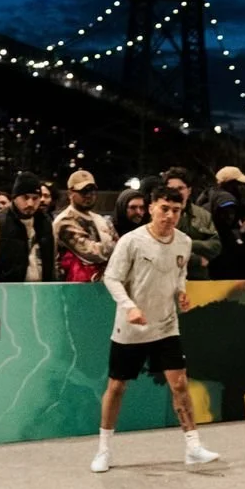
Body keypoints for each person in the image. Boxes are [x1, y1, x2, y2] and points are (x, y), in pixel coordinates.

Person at [92, 184, 219, 473]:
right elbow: (111, 278)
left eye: (176, 210)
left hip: (166, 325)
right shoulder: (131, 241)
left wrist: (181, 292)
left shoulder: (184, 242)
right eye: (164, 208)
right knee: (117, 386)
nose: (170, 215)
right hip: (131, 328)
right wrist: (129, 307)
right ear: (151, 208)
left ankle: (193, 446)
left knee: (180, 384)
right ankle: (104, 449)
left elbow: (180, 273)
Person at [0, 172, 56, 283]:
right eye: (25, 197)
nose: (30, 203)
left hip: (42, 292)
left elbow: (52, 264)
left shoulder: (45, 223)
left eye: (35, 198)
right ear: (14, 197)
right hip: (8, 295)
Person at [53, 169, 116, 281]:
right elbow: (91, 253)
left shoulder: (101, 219)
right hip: (72, 288)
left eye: (92, 191)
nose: (88, 195)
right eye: (83, 191)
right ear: (70, 193)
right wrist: (114, 248)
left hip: (102, 284)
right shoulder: (64, 221)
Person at [163, 167, 221, 280]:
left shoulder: (203, 215)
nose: (176, 193)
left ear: (189, 190)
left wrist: (187, 244)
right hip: (167, 280)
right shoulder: (159, 215)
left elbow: (216, 246)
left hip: (198, 281)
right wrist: (197, 260)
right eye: (171, 189)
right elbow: (160, 250)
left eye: (180, 188)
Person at [205, 166, 245, 279]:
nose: (243, 188)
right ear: (230, 184)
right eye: (239, 184)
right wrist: (242, 232)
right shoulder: (226, 200)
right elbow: (226, 228)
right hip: (226, 259)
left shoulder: (209, 196)